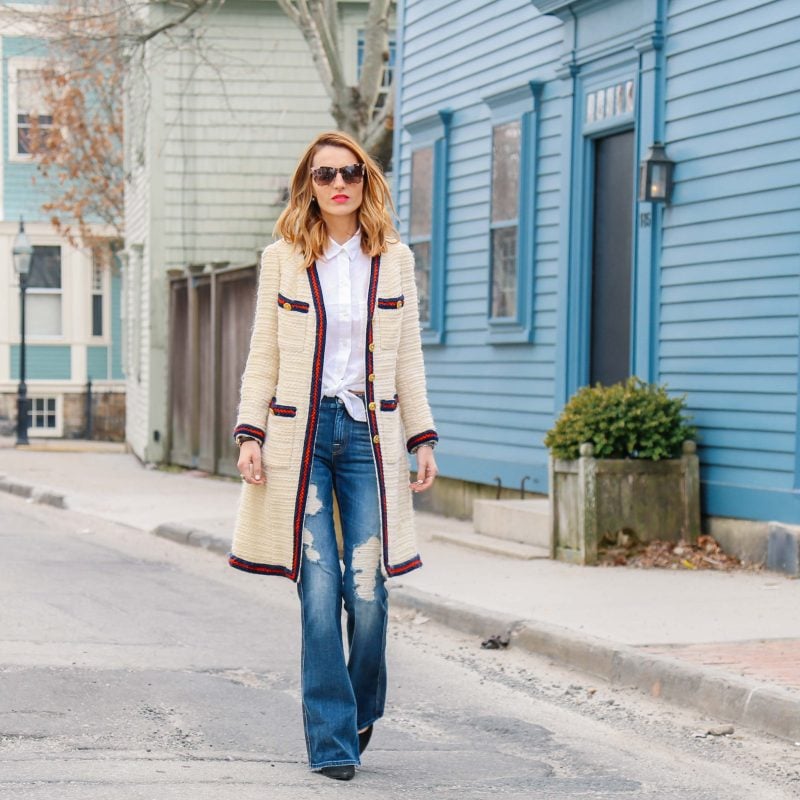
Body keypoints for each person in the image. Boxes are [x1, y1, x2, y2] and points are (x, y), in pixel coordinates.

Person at [229, 130, 439, 781]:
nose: (338, 183)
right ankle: (331, 739)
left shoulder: (393, 259)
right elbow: (264, 350)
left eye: (349, 172)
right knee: (319, 591)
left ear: (365, 180)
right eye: (324, 175)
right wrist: (250, 432)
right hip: (302, 439)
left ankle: (361, 702)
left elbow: (407, 357)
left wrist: (421, 436)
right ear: (309, 184)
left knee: (368, 590)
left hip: (368, 441)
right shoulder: (284, 257)